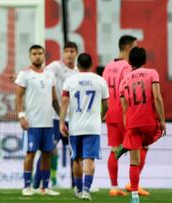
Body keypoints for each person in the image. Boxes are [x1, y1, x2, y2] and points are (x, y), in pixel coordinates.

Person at [119, 47, 166, 203]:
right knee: (149, 140)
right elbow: (157, 97)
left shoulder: (124, 80)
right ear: (145, 60)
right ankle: (141, 145)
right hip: (149, 123)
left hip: (132, 123)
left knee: (133, 160)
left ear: (130, 61)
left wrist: (127, 130)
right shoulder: (152, 73)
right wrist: (162, 120)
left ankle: (134, 197)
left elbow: (124, 109)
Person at [60, 53, 109, 200]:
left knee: (77, 159)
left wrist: (62, 122)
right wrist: (100, 117)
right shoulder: (100, 80)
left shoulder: (70, 81)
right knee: (89, 159)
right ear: (91, 64)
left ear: (77, 65)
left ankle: (78, 189)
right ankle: (87, 190)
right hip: (92, 126)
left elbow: (64, 102)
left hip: (75, 126)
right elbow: (106, 105)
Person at [15, 44, 60, 196]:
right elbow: (19, 97)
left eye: (40, 53)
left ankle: (45, 187)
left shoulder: (50, 75)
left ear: (44, 55)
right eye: (34, 53)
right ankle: (27, 186)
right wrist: (21, 116)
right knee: (30, 153)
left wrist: (61, 118)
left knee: (47, 154)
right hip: (32, 123)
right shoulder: (24, 74)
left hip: (48, 122)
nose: (37, 56)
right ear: (30, 56)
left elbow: (54, 100)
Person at [33, 41, 78, 189]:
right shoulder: (56, 66)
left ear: (76, 53)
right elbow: (39, 72)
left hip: (73, 118)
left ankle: (77, 186)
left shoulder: (78, 72)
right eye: (67, 51)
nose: (69, 54)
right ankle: (35, 185)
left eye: (72, 51)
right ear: (63, 53)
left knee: (76, 153)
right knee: (47, 151)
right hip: (54, 117)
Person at [102, 35, 137, 197]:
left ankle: (114, 187)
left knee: (114, 149)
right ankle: (133, 185)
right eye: (135, 46)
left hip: (110, 113)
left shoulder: (108, 67)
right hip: (124, 113)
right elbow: (129, 92)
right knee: (139, 147)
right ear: (128, 47)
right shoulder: (127, 68)